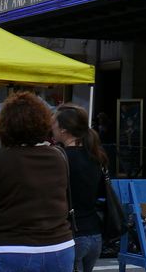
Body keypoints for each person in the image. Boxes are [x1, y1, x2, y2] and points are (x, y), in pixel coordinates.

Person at [0, 91, 75, 272]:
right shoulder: (58, 156)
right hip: (60, 246)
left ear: (6, 125)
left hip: (12, 247)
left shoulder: (1, 160)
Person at [53, 103, 106, 272]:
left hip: (73, 234)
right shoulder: (95, 156)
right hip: (95, 233)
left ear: (63, 129)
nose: (51, 127)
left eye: (54, 123)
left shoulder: (61, 158)